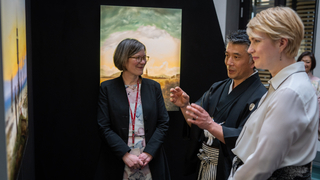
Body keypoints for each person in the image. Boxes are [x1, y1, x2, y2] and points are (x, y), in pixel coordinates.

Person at [228, 7, 319, 180]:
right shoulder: (285, 85)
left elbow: (262, 164)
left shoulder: (289, 91)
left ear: (281, 43)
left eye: (256, 41)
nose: (250, 50)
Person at [170, 30, 267, 180]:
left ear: (253, 60)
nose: (229, 62)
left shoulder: (261, 96)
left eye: (236, 57)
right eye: (227, 55)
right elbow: (196, 124)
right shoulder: (218, 88)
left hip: (229, 169)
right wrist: (185, 105)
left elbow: (248, 139)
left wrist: (210, 125)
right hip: (205, 164)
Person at [97, 38, 170, 180]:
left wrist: (149, 152)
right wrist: (125, 154)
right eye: (138, 58)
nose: (143, 62)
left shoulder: (153, 87)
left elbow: (163, 123)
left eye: (144, 58)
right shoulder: (107, 89)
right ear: (123, 59)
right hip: (119, 160)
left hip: (149, 160)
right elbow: (103, 127)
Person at [297, 51, 320, 140]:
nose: (304, 64)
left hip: (311, 119)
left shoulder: (317, 82)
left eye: (308, 62)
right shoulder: (293, 79)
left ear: (312, 64)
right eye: (302, 61)